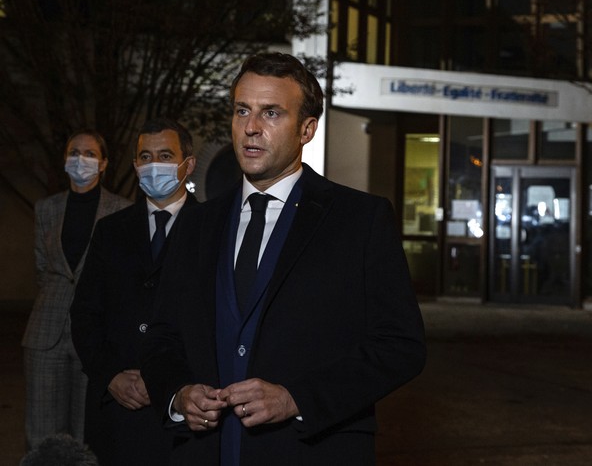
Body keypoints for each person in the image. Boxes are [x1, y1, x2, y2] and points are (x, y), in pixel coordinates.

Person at [139, 52, 426, 465]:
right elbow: (161, 334)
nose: (251, 128)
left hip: (309, 451)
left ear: (307, 129)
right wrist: (177, 394)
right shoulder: (196, 223)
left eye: (271, 113)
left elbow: (401, 346)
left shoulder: (360, 220)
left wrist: (297, 398)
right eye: (242, 111)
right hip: (205, 452)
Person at [70, 118, 198, 465]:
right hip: (117, 408)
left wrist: (175, 385)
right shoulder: (110, 231)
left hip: (184, 410)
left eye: (166, 155)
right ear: (135, 165)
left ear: (189, 164)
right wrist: (109, 376)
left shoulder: (213, 228)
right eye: (145, 156)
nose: (154, 165)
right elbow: (84, 314)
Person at [22, 130, 129, 450]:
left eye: (90, 154)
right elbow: (43, 268)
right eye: (74, 152)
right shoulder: (46, 208)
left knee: (89, 430)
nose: (80, 159)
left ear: (103, 163)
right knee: (41, 429)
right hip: (45, 333)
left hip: (97, 333)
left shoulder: (122, 209)